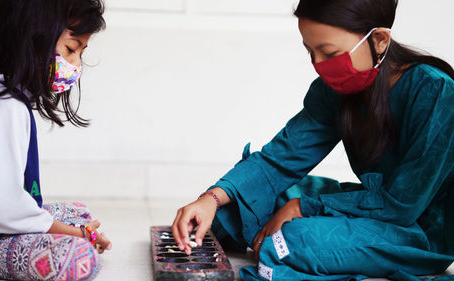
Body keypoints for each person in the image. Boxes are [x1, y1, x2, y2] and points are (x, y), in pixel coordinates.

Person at [171, 0, 454, 280]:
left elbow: (401, 205)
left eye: (329, 53)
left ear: (379, 40)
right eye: (310, 51)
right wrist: (211, 199)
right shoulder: (334, 91)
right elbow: (280, 159)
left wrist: (302, 208)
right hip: (372, 208)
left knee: (289, 242)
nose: (318, 65)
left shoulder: (436, 91)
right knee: (232, 210)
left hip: (417, 229)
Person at [0, 0, 112, 280]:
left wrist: (77, 227)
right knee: (78, 257)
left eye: (80, 53)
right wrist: (78, 234)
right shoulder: (2, 105)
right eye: (70, 49)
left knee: (78, 212)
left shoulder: (0, 93)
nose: (75, 65)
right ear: (31, 38)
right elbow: (2, 207)